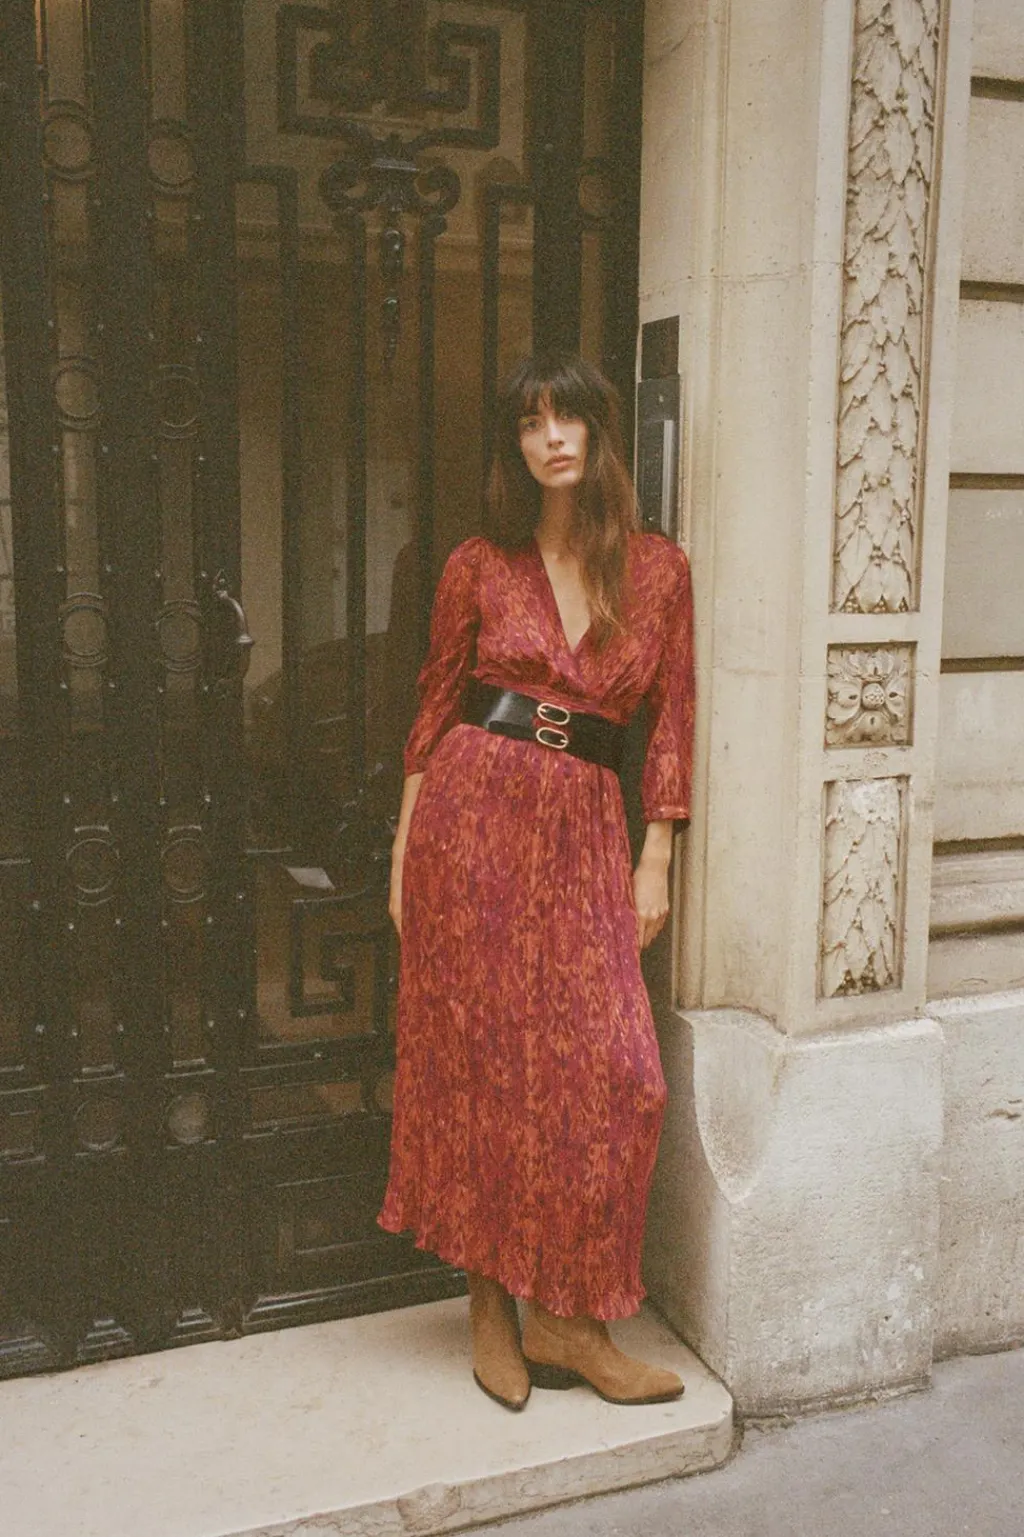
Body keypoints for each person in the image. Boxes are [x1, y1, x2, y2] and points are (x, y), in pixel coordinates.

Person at [378, 353, 695, 1412]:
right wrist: (403, 852)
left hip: (587, 826)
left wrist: (658, 854)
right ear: (514, 446)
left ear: (602, 432)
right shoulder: (478, 565)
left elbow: (672, 720)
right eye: (529, 423)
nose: (550, 437)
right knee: (483, 1065)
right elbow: (433, 710)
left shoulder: (658, 572)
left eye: (567, 418)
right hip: (473, 812)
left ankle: (569, 1318)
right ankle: (488, 1303)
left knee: (622, 1074)